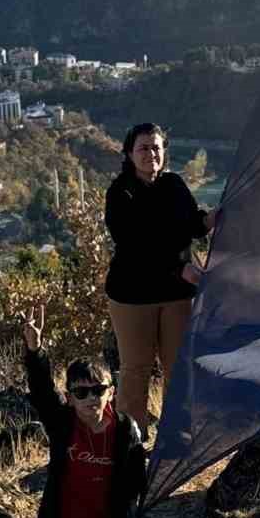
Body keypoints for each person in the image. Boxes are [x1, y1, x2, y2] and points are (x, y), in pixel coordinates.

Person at [12, 303, 147, 518]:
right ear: (70, 397)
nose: (90, 398)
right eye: (81, 392)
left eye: (98, 390)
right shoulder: (63, 423)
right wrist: (35, 351)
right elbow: (41, 392)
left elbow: (136, 482)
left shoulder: (126, 430)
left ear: (111, 391)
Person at [105, 122, 215, 427]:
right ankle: (131, 441)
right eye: (143, 147)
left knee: (179, 367)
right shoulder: (120, 193)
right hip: (133, 295)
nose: (151, 153)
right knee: (136, 369)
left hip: (177, 294)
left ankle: (176, 433)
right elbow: (134, 245)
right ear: (129, 153)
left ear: (164, 151)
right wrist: (181, 269)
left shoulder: (174, 185)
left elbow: (195, 225)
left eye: (156, 147)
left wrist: (217, 217)